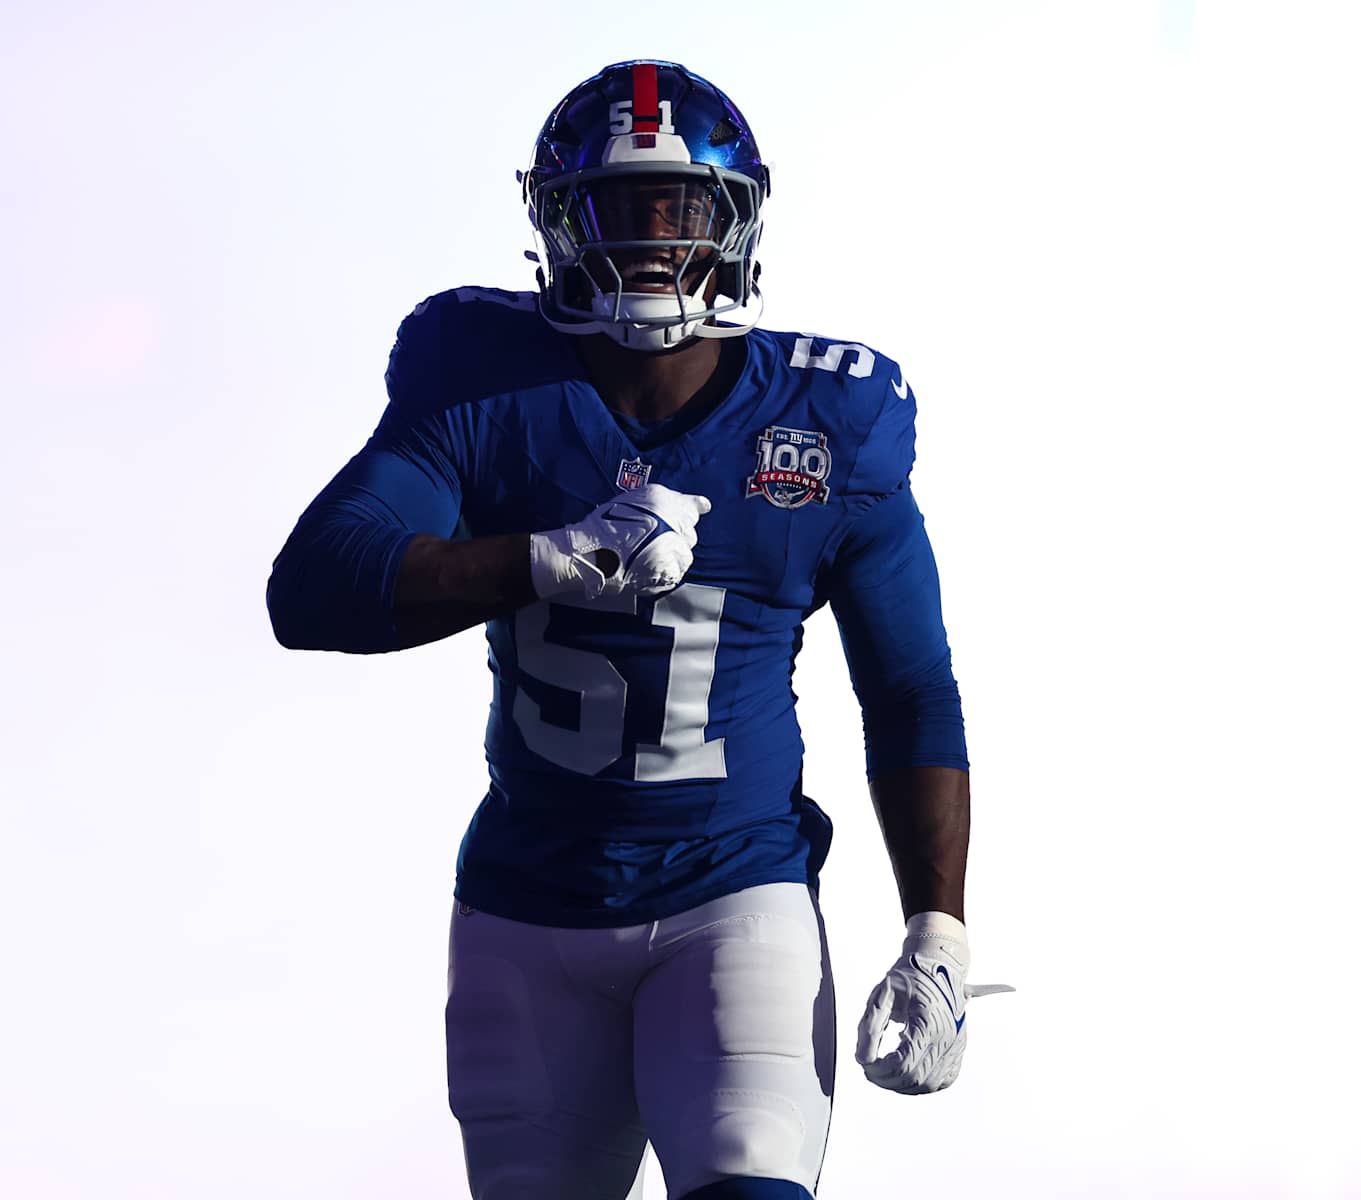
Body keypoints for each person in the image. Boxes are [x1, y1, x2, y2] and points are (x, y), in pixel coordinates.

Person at [266, 59, 1005, 1200]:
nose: (650, 246)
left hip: (735, 896)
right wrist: (546, 559)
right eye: (616, 210)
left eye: (679, 209)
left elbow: (909, 690)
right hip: (526, 909)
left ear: (737, 220)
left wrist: (938, 933)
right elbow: (314, 588)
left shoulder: (830, 420)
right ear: (557, 223)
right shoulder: (481, 381)